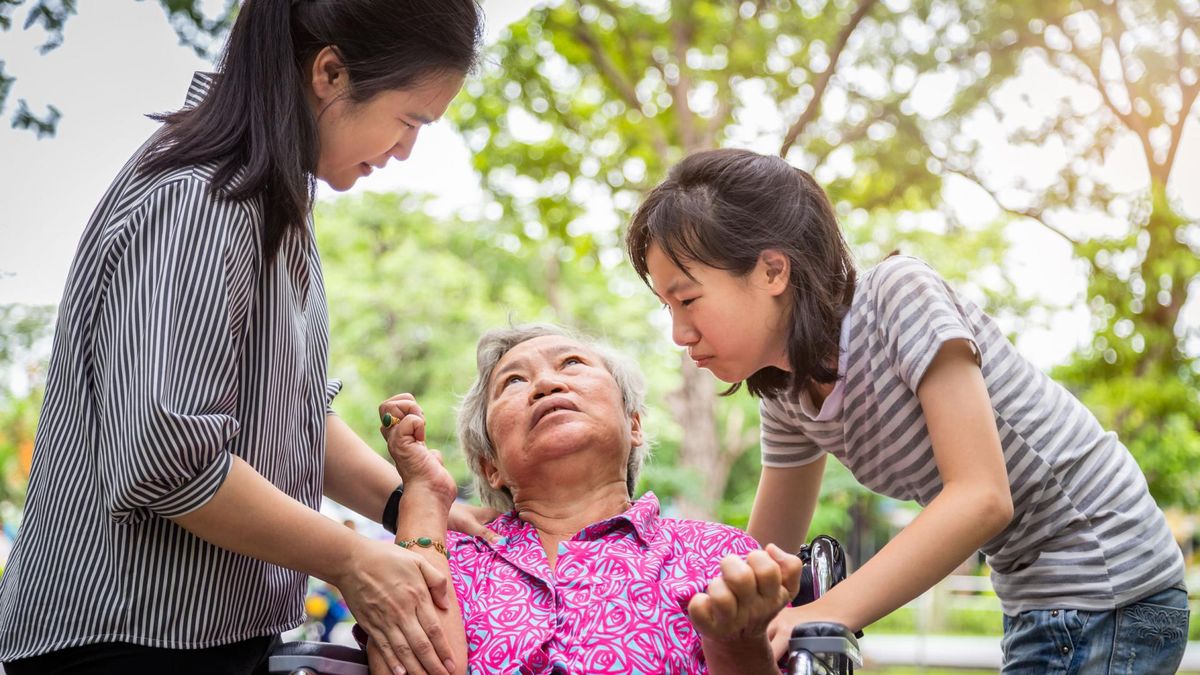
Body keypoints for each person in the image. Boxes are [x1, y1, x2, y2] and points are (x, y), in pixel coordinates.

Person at [0, 2, 498, 674]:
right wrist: (352, 559)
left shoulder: (272, 199)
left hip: (206, 638)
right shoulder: (203, 197)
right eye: (410, 120)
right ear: (329, 72)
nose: (406, 149)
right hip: (127, 642)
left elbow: (291, 416)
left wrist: (410, 499)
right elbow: (168, 457)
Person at [624, 147, 1190, 673]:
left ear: (773, 271)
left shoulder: (898, 295)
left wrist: (823, 612)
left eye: (688, 298)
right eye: (666, 306)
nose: (678, 333)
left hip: (1109, 577)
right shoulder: (787, 396)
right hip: (1038, 596)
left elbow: (981, 498)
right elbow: (763, 560)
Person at [367, 324, 805, 674]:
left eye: (572, 363)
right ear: (489, 466)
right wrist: (422, 494)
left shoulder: (721, 557)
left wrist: (736, 645)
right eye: (513, 381)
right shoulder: (446, 556)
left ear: (633, 425)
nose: (544, 384)